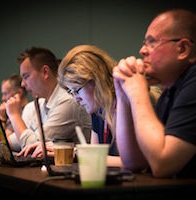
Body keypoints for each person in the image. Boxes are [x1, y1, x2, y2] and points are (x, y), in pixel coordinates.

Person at [113, 9, 196, 178]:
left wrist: (137, 89)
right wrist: (123, 94)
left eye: (151, 42)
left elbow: (163, 163)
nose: (142, 51)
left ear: (182, 49)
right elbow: (134, 162)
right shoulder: (171, 90)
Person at [58, 44, 161, 167]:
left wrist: (77, 154)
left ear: (96, 79)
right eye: (71, 92)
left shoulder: (133, 99)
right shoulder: (97, 110)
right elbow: (94, 157)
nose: (76, 99)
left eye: (77, 90)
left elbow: (139, 163)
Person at [6, 47, 91, 158]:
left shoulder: (68, 102)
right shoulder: (41, 104)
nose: (23, 84)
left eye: (26, 76)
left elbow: (33, 148)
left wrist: (14, 115)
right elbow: (14, 143)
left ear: (45, 72)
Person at [0, 74, 28, 151]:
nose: (3, 98)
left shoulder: (26, 114)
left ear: (18, 93)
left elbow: (1, 144)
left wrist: (2, 118)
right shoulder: (9, 114)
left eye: (5, 94)